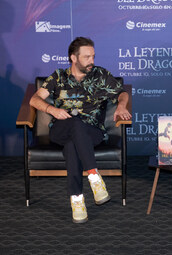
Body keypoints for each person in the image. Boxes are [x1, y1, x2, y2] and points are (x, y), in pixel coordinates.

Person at [29, 37, 131, 223]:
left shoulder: (100, 75)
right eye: (86, 57)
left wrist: (122, 106)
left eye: (92, 56)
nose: (91, 61)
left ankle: (77, 200)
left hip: (92, 131)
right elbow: (34, 99)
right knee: (74, 123)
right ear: (73, 58)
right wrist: (52, 110)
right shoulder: (58, 77)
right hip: (61, 128)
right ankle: (94, 176)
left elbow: (122, 93)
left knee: (72, 146)